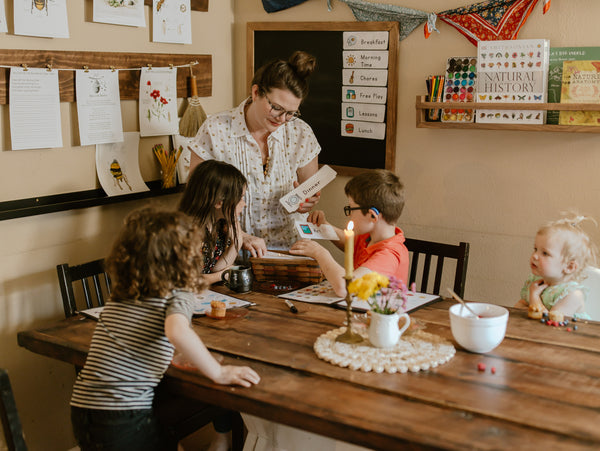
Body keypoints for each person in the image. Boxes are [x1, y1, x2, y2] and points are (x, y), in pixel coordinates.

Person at [70, 207, 260, 451]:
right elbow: (178, 332)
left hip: (84, 408)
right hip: (123, 413)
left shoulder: (124, 294)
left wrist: (183, 355)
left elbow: (144, 339)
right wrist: (218, 373)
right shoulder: (178, 292)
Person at [188, 50, 321, 255]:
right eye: (276, 107)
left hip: (289, 251)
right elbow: (197, 200)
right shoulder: (215, 130)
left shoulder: (300, 133)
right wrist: (240, 236)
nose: (282, 118)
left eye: (291, 113)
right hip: (228, 253)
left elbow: (307, 194)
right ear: (256, 92)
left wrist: (306, 203)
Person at [290, 169, 408, 297]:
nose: (349, 214)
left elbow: (345, 287)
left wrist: (320, 253)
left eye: (351, 209)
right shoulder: (370, 238)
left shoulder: (388, 255)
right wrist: (325, 226)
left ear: (372, 216)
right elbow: (349, 244)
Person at [515, 215, 598, 319]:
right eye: (535, 249)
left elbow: (549, 323)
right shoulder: (536, 281)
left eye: (545, 253)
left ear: (569, 267)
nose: (535, 256)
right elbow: (519, 307)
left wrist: (534, 297)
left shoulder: (572, 295)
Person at [178, 160, 247, 285]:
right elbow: (188, 281)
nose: (244, 204)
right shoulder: (187, 232)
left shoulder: (218, 226)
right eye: (240, 198)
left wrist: (237, 242)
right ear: (219, 202)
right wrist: (223, 275)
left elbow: (214, 269)